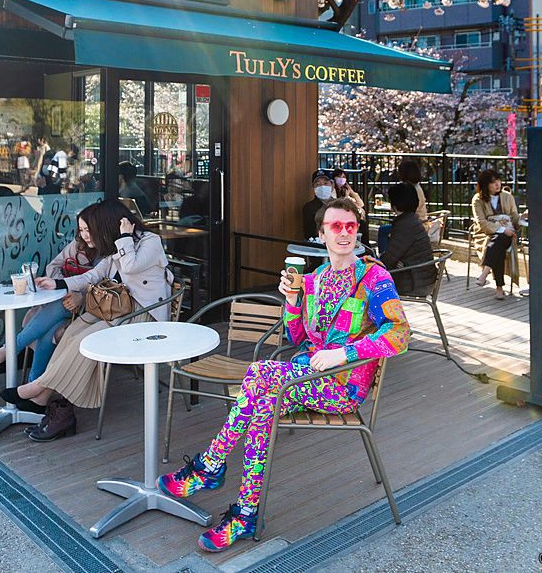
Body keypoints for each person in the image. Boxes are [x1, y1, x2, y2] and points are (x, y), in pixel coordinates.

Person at [158, 197, 410, 552]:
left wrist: (343, 353)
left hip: (343, 385)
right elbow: (295, 337)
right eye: (335, 226)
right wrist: (292, 301)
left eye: (350, 226)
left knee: (260, 373)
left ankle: (210, 466)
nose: (344, 233)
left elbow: (399, 334)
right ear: (321, 234)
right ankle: (246, 514)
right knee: (262, 405)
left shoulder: (373, 277)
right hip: (302, 377)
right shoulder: (316, 279)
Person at [4, 199, 172, 439]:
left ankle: (38, 388)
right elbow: (94, 275)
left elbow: (131, 266)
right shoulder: (117, 247)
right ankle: (43, 396)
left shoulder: (150, 242)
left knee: (87, 340)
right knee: (73, 332)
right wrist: (59, 283)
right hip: (118, 308)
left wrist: (124, 237)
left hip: (144, 314)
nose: (89, 234)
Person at [0, 204, 102, 381]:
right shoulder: (79, 245)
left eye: (88, 229)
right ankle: (33, 388)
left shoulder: (110, 254)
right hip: (65, 304)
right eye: (81, 229)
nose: (85, 234)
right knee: (49, 332)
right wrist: (63, 286)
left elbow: (101, 284)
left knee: (56, 308)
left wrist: (75, 292)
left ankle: (9, 349)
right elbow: (53, 266)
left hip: (91, 310)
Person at [471, 169, 521, 300]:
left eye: (498, 180)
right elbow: (481, 223)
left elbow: (515, 217)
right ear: (485, 185)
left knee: (499, 241)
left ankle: (485, 273)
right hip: (485, 234)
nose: (497, 184)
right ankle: (499, 288)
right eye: (493, 182)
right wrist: (501, 229)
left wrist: (521, 218)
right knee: (498, 243)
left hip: (508, 232)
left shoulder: (507, 196)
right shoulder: (478, 199)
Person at [381, 182, 435, 284]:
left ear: (395, 204)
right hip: (423, 277)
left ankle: (349, 300)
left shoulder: (404, 225)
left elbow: (387, 260)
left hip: (413, 282)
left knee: (365, 282)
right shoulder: (412, 220)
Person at [301, 169, 333, 239]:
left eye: (325, 183)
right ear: (313, 187)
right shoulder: (309, 208)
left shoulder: (340, 205)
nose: (322, 187)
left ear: (332, 185)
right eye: (318, 184)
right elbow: (310, 233)